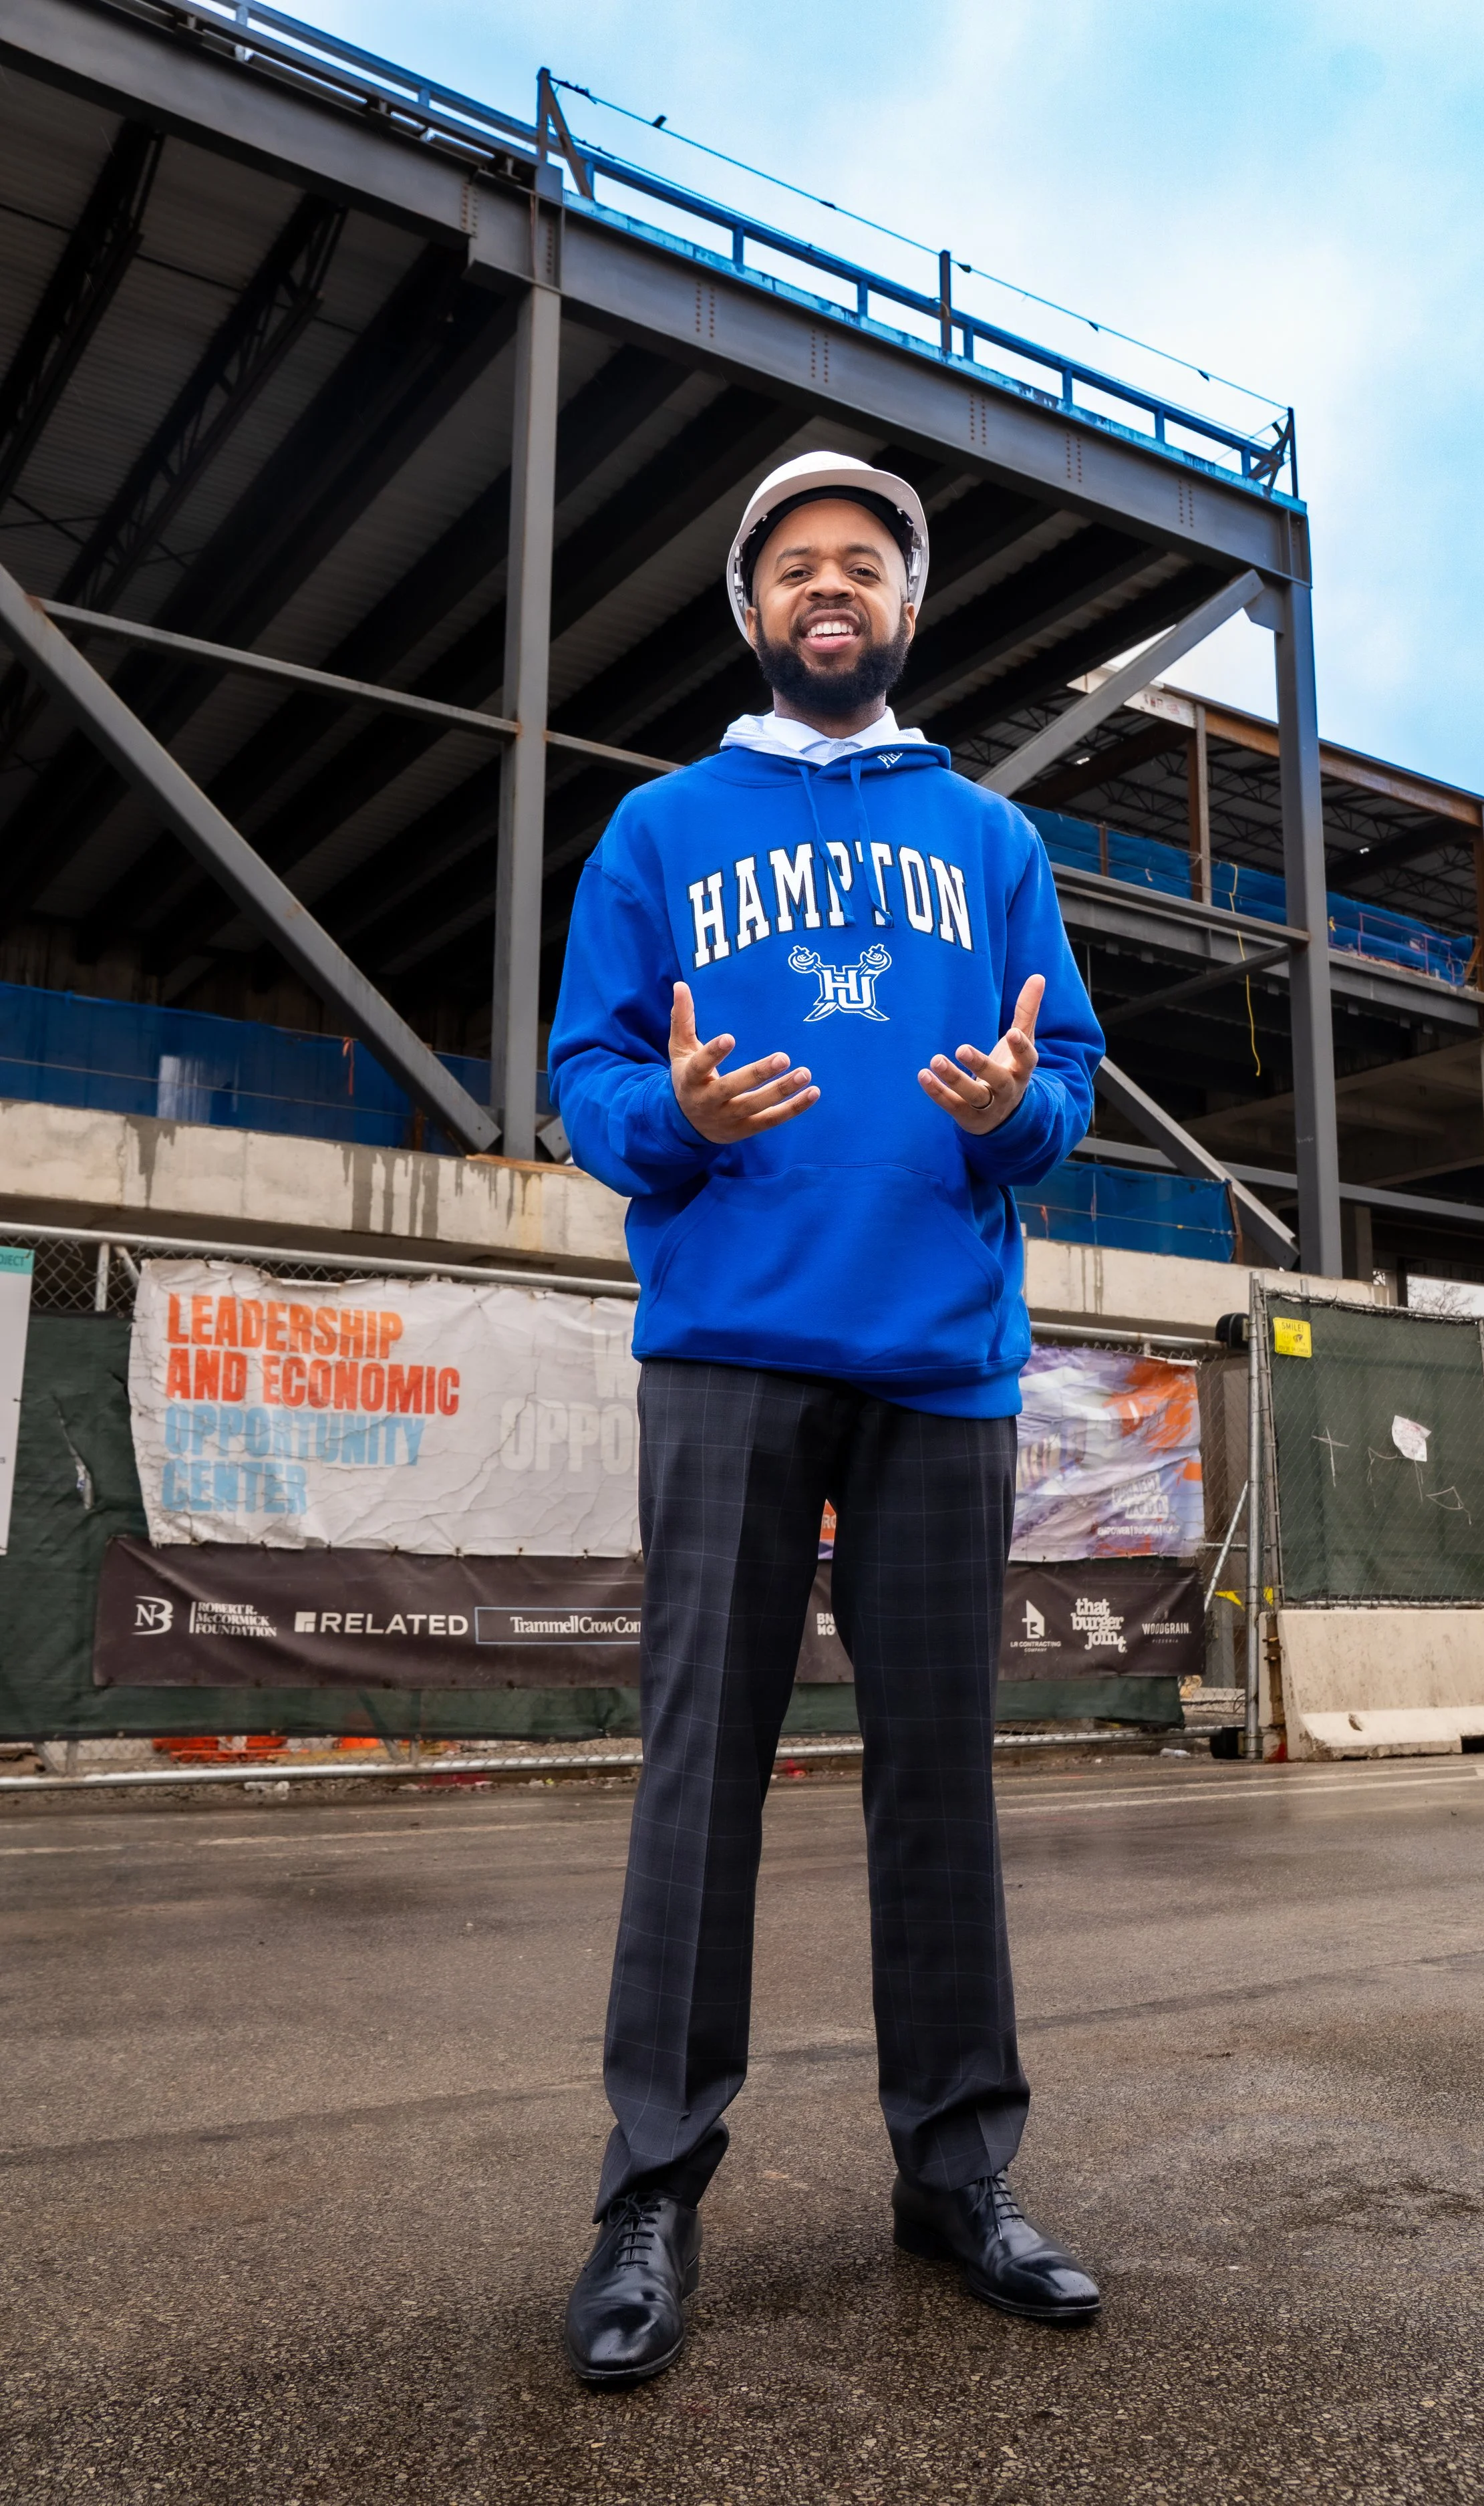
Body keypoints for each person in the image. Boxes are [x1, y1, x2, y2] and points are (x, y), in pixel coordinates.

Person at [548, 450, 1106, 2388]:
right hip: (729, 1347)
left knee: (937, 1774)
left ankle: (956, 2174)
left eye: (863, 561)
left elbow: (1067, 1076)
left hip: (937, 1357)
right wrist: (672, 1117)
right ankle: (651, 2191)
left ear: (910, 605)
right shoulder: (659, 827)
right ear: (752, 609)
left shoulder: (990, 838)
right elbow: (586, 1071)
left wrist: (1014, 1114)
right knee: (700, 1770)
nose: (830, 587)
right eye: (795, 567)